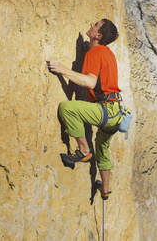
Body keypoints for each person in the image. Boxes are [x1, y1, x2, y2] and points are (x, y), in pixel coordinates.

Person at [46, 19, 120, 200]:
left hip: (105, 111)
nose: (92, 24)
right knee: (102, 147)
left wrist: (62, 70)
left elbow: (90, 82)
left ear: (98, 35)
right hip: (116, 113)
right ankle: (105, 191)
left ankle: (84, 151)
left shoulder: (95, 53)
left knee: (67, 108)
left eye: (96, 24)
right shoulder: (106, 52)